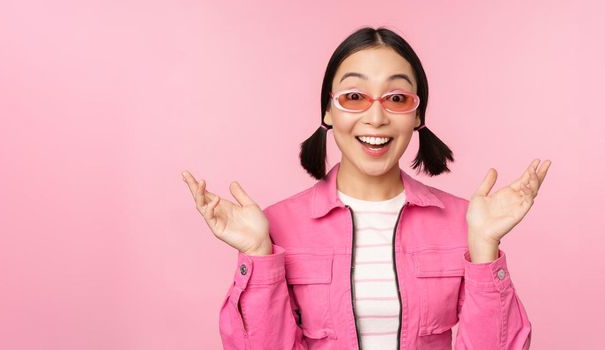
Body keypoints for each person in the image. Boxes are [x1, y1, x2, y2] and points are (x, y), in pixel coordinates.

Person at [182, 26, 551, 350]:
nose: (376, 117)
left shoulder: (464, 222)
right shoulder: (275, 226)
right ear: (328, 111)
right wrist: (258, 254)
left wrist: (485, 248)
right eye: (354, 97)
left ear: (418, 115)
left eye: (396, 98)